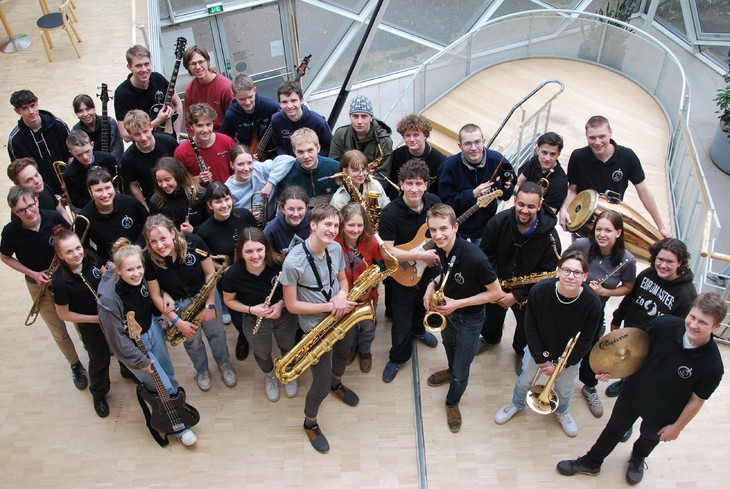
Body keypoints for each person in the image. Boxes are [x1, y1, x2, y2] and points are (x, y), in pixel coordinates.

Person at [557, 292, 727, 485]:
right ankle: (591, 462)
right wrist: (612, 370)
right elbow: (636, 352)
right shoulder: (663, 325)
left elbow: (697, 400)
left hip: (664, 411)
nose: (694, 325)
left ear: (716, 327)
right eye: (692, 317)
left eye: (703, 323)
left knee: (648, 438)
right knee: (614, 429)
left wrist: (677, 428)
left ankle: (638, 457)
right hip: (633, 394)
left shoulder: (713, 367)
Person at [96, 238, 197, 446]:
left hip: (151, 329)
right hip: (134, 346)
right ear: (118, 271)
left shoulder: (141, 275)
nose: (136, 274)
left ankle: (177, 405)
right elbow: (117, 341)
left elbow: (153, 288)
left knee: (167, 375)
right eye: (130, 270)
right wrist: (140, 361)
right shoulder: (108, 298)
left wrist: (164, 293)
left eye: (139, 268)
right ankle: (178, 424)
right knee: (158, 385)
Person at [494, 250, 601, 437]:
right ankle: (517, 403)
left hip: (568, 357)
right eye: (566, 270)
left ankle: (562, 411)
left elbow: (587, 339)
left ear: (584, 276)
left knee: (564, 388)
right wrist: (542, 358)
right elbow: (530, 327)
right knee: (525, 380)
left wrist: (563, 364)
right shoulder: (540, 290)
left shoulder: (592, 302)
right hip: (538, 349)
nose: (570, 276)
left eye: (577, 273)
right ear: (558, 271)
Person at [281, 203, 360, 454]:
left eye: (336, 225)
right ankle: (310, 422)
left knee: (344, 352)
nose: (333, 230)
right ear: (313, 225)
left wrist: (342, 296)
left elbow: (342, 280)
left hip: (340, 314)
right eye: (328, 224)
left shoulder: (335, 247)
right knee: (321, 383)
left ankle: (338, 383)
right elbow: (292, 306)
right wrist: (329, 304)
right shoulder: (292, 262)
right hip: (316, 327)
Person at [423, 204, 502, 432]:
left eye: (443, 229)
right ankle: (450, 369)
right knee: (449, 345)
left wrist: (458, 303)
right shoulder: (442, 247)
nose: (438, 235)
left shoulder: (476, 258)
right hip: (449, 313)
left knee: (461, 371)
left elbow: (496, 293)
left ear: (455, 227)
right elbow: (445, 273)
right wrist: (431, 285)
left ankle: (452, 401)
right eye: (433, 230)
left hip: (469, 319)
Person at [0, 186, 86, 390]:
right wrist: (32, 274)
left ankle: (90, 346)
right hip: (38, 284)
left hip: (64, 278)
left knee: (77, 317)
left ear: (37, 200)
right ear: (15, 212)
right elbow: (4, 256)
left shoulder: (52, 218)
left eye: (30, 205)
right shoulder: (11, 231)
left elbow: (70, 240)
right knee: (58, 328)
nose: (28, 212)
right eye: (22, 210)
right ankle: (75, 365)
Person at [143, 214, 237, 392]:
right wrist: (177, 322)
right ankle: (201, 371)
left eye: (163, 238)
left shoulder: (194, 242)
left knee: (216, 334)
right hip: (178, 304)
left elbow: (210, 274)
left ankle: (224, 364)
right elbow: (155, 295)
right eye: (153, 241)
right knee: (192, 342)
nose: (159, 245)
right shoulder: (148, 258)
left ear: (172, 232)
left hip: (206, 295)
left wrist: (210, 304)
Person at [479, 181, 561, 372]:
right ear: (515, 201)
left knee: (527, 326)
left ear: (539, 206)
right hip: (498, 283)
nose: (525, 210)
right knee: (491, 316)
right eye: (521, 204)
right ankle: (491, 337)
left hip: (528, 293)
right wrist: (495, 286)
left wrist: (517, 296)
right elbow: (485, 255)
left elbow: (547, 277)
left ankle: (520, 351)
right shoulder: (497, 222)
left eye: (531, 206)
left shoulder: (551, 238)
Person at [605, 238, 697, 405]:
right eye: (660, 259)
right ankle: (625, 381)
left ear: (680, 263)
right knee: (627, 360)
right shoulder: (647, 274)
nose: (662, 265)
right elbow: (630, 298)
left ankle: (629, 403)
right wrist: (617, 318)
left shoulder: (686, 295)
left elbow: (677, 330)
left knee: (641, 376)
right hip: (631, 329)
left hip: (652, 343)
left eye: (669, 261)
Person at [564, 210, 636, 419]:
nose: (602, 234)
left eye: (608, 230)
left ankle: (589, 386)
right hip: (569, 306)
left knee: (589, 350)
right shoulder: (582, 246)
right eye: (599, 229)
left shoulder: (626, 261)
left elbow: (628, 286)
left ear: (619, 233)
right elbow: (563, 266)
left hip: (594, 312)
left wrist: (605, 292)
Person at [379, 159, 442, 384]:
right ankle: (397, 357)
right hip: (401, 273)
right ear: (400, 184)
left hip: (428, 270)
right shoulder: (390, 213)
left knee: (423, 306)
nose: (414, 189)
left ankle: (419, 330)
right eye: (409, 183)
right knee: (401, 320)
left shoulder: (434, 203)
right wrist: (420, 256)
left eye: (418, 183)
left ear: (426, 184)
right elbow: (387, 252)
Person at [559, 115, 671, 238]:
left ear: (610, 132)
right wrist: (564, 210)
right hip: (583, 222)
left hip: (611, 224)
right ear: (586, 136)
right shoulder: (578, 156)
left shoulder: (627, 157)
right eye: (592, 138)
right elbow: (572, 189)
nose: (597, 142)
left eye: (602, 136)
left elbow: (643, 192)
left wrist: (661, 226)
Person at [223, 227, 299, 401]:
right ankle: (270, 376)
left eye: (259, 250)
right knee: (262, 352)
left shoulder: (280, 264)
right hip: (253, 318)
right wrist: (251, 309)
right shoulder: (233, 274)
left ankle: (288, 371)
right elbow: (228, 301)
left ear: (266, 248)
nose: (255, 256)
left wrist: (280, 304)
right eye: (249, 251)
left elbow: (294, 290)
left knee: (287, 346)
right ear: (240, 252)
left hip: (284, 315)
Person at [51, 228, 111, 417]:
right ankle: (99, 394)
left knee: (121, 347)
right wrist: (94, 319)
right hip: (90, 324)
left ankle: (127, 371)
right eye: (69, 252)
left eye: (78, 248)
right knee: (100, 360)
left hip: (109, 316)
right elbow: (63, 314)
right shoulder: (59, 282)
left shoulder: (90, 258)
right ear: (60, 255)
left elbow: (104, 276)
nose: (77, 254)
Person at [196, 181, 256, 357]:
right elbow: (205, 260)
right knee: (237, 312)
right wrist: (225, 269)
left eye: (226, 199)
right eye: (218, 201)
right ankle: (243, 336)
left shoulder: (245, 216)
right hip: (228, 277)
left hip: (253, 271)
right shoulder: (204, 231)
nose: (224, 205)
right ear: (209, 205)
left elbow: (258, 240)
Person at [438, 123, 515, 244]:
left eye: (477, 142)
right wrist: (472, 194)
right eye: (468, 143)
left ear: (484, 141)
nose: (473, 147)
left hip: (485, 225)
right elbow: (446, 202)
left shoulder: (498, 160)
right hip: (457, 226)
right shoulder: (448, 167)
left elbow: (507, 192)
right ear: (460, 146)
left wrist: (507, 189)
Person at [336, 203, 384, 373]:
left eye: (360, 225)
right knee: (348, 327)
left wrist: (369, 290)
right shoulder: (333, 242)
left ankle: (365, 352)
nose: (356, 229)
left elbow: (380, 269)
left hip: (367, 295)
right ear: (342, 224)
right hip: (343, 297)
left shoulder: (371, 241)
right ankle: (352, 347)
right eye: (351, 225)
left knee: (367, 327)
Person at [77, 168, 149, 262]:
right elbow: (84, 246)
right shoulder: (84, 217)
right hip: (111, 263)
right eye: (98, 190)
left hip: (140, 253)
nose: (105, 194)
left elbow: (148, 223)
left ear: (113, 186)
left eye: (108, 188)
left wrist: (139, 246)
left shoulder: (130, 203)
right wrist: (104, 263)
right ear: (90, 192)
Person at [8, 89, 70, 195]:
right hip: (41, 193)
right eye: (25, 108)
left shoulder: (58, 125)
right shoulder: (15, 140)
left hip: (69, 186)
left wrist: (69, 186)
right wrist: (48, 195)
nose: (31, 111)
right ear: (17, 111)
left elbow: (72, 154)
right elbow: (20, 174)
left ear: (37, 103)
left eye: (33, 105)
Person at [114, 44, 183, 141]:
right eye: (138, 66)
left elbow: (177, 103)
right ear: (129, 67)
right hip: (143, 145)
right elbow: (125, 135)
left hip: (168, 139)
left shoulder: (158, 78)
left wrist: (177, 134)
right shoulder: (122, 94)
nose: (144, 69)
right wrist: (156, 122)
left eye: (147, 64)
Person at [329, 95, 393, 188]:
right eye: (355, 116)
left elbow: (383, 177)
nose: (359, 121)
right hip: (345, 185)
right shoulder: (340, 134)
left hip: (372, 189)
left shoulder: (384, 141)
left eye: (364, 116)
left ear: (371, 117)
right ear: (349, 117)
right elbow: (334, 166)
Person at [119, 110, 179, 206]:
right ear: (130, 134)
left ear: (151, 126)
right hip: (153, 200)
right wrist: (145, 207)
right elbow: (133, 185)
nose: (143, 137)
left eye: (145, 131)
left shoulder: (168, 142)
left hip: (177, 192)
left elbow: (181, 167)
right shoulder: (128, 159)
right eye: (137, 134)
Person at [224, 144, 296, 223]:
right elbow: (227, 216)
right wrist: (245, 214)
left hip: (271, 221)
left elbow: (288, 159)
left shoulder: (259, 168)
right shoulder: (228, 188)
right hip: (245, 227)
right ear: (232, 165)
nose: (246, 168)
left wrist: (270, 183)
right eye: (240, 164)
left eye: (249, 163)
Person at [220, 74, 279, 159]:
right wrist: (240, 154)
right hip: (247, 155)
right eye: (242, 99)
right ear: (233, 96)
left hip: (273, 153)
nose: (247, 102)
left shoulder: (271, 107)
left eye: (250, 97)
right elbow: (225, 140)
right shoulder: (231, 114)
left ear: (254, 90)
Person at [174, 103, 235, 185]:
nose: (205, 130)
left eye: (208, 124)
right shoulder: (181, 152)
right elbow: (178, 183)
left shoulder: (227, 141)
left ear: (213, 123)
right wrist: (198, 179)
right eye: (200, 126)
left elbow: (236, 170)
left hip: (227, 194)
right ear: (191, 126)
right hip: (202, 196)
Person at [276, 128, 339, 206]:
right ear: (294, 151)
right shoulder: (286, 173)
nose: (306, 156)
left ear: (318, 148)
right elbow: (282, 208)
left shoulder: (335, 168)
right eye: (300, 152)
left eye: (310, 150)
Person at [390, 113, 446, 199]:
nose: (411, 139)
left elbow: (442, 192)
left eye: (416, 135)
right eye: (407, 135)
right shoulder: (396, 155)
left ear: (425, 136)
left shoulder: (440, 160)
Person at [270, 81, 332, 157]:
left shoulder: (318, 122)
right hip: (290, 163)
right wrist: (287, 160)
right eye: (284, 102)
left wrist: (312, 159)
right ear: (279, 103)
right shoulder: (276, 120)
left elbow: (328, 146)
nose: (289, 106)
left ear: (302, 100)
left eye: (293, 100)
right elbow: (278, 145)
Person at [148, 157, 207, 233]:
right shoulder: (155, 201)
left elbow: (210, 223)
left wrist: (193, 230)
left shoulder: (200, 194)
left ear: (178, 176)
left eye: (167, 180)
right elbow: (154, 228)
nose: (164, 185)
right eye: (159, 181)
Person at [182, 45, 232, 132]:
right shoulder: (189, 91)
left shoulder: (226, 87)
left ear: (208, 62)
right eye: (193, 64)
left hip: (226, 138)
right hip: (202, 139)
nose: (198, 67)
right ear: (188, 67)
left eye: (201, 62)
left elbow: (233, 120)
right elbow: (189, 124)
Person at [514, 131, 568, 213]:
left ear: (558, 155)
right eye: (544, 152)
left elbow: (549, 215)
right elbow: (517, 184)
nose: (547, 158)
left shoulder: (560, 182)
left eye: (552, 154)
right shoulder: (535, 160)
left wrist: (524, 198)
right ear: (538, 150)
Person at [64, 130, 119, 209]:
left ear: (92, 145)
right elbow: (76, 201)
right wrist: (100, 203)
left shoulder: (107, 158)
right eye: (79, 155)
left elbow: (119, 182)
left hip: (115, 202)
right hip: (92, 209)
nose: (85, 157)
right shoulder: (69, 174)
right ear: (71, 153)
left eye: (87, 151)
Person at [7, 157, 70, 221]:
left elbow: (61, 211)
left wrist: (70, 229)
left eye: (36, 175)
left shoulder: (44, 187)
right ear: (19, 185)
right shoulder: (21, 210)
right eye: (28, 180)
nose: (37, 181)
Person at [72, 93, 124, 161]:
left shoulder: (110, 123)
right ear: (76, 113)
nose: (85, 114)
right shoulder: (76, 132)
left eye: (88, 109)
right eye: (80, 111)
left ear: (94, 108)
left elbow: (117, 150)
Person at [264, 185, 311, 254]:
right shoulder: (271, 230)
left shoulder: (315, 223)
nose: (296, 214)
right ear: (282, 209)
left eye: (300, 209)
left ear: (306, 208)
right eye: (291, 209)